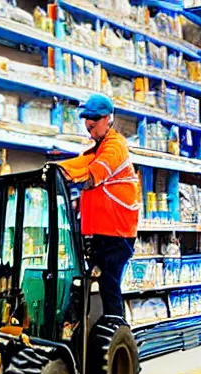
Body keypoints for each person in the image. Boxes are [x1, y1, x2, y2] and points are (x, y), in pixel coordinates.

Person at [54, 93, 140, 318]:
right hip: (98, 232)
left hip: (116, 234)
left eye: (94, 119)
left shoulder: (115, 146)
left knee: (109, 285)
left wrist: (74, 180)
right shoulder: (96, 149)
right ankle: (77, 331)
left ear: (108, 119)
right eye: (86, 118)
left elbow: (95, 174)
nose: (88, 123)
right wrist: (53, 170)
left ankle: (116, 334)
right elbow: (78, 164)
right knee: (81, 283)